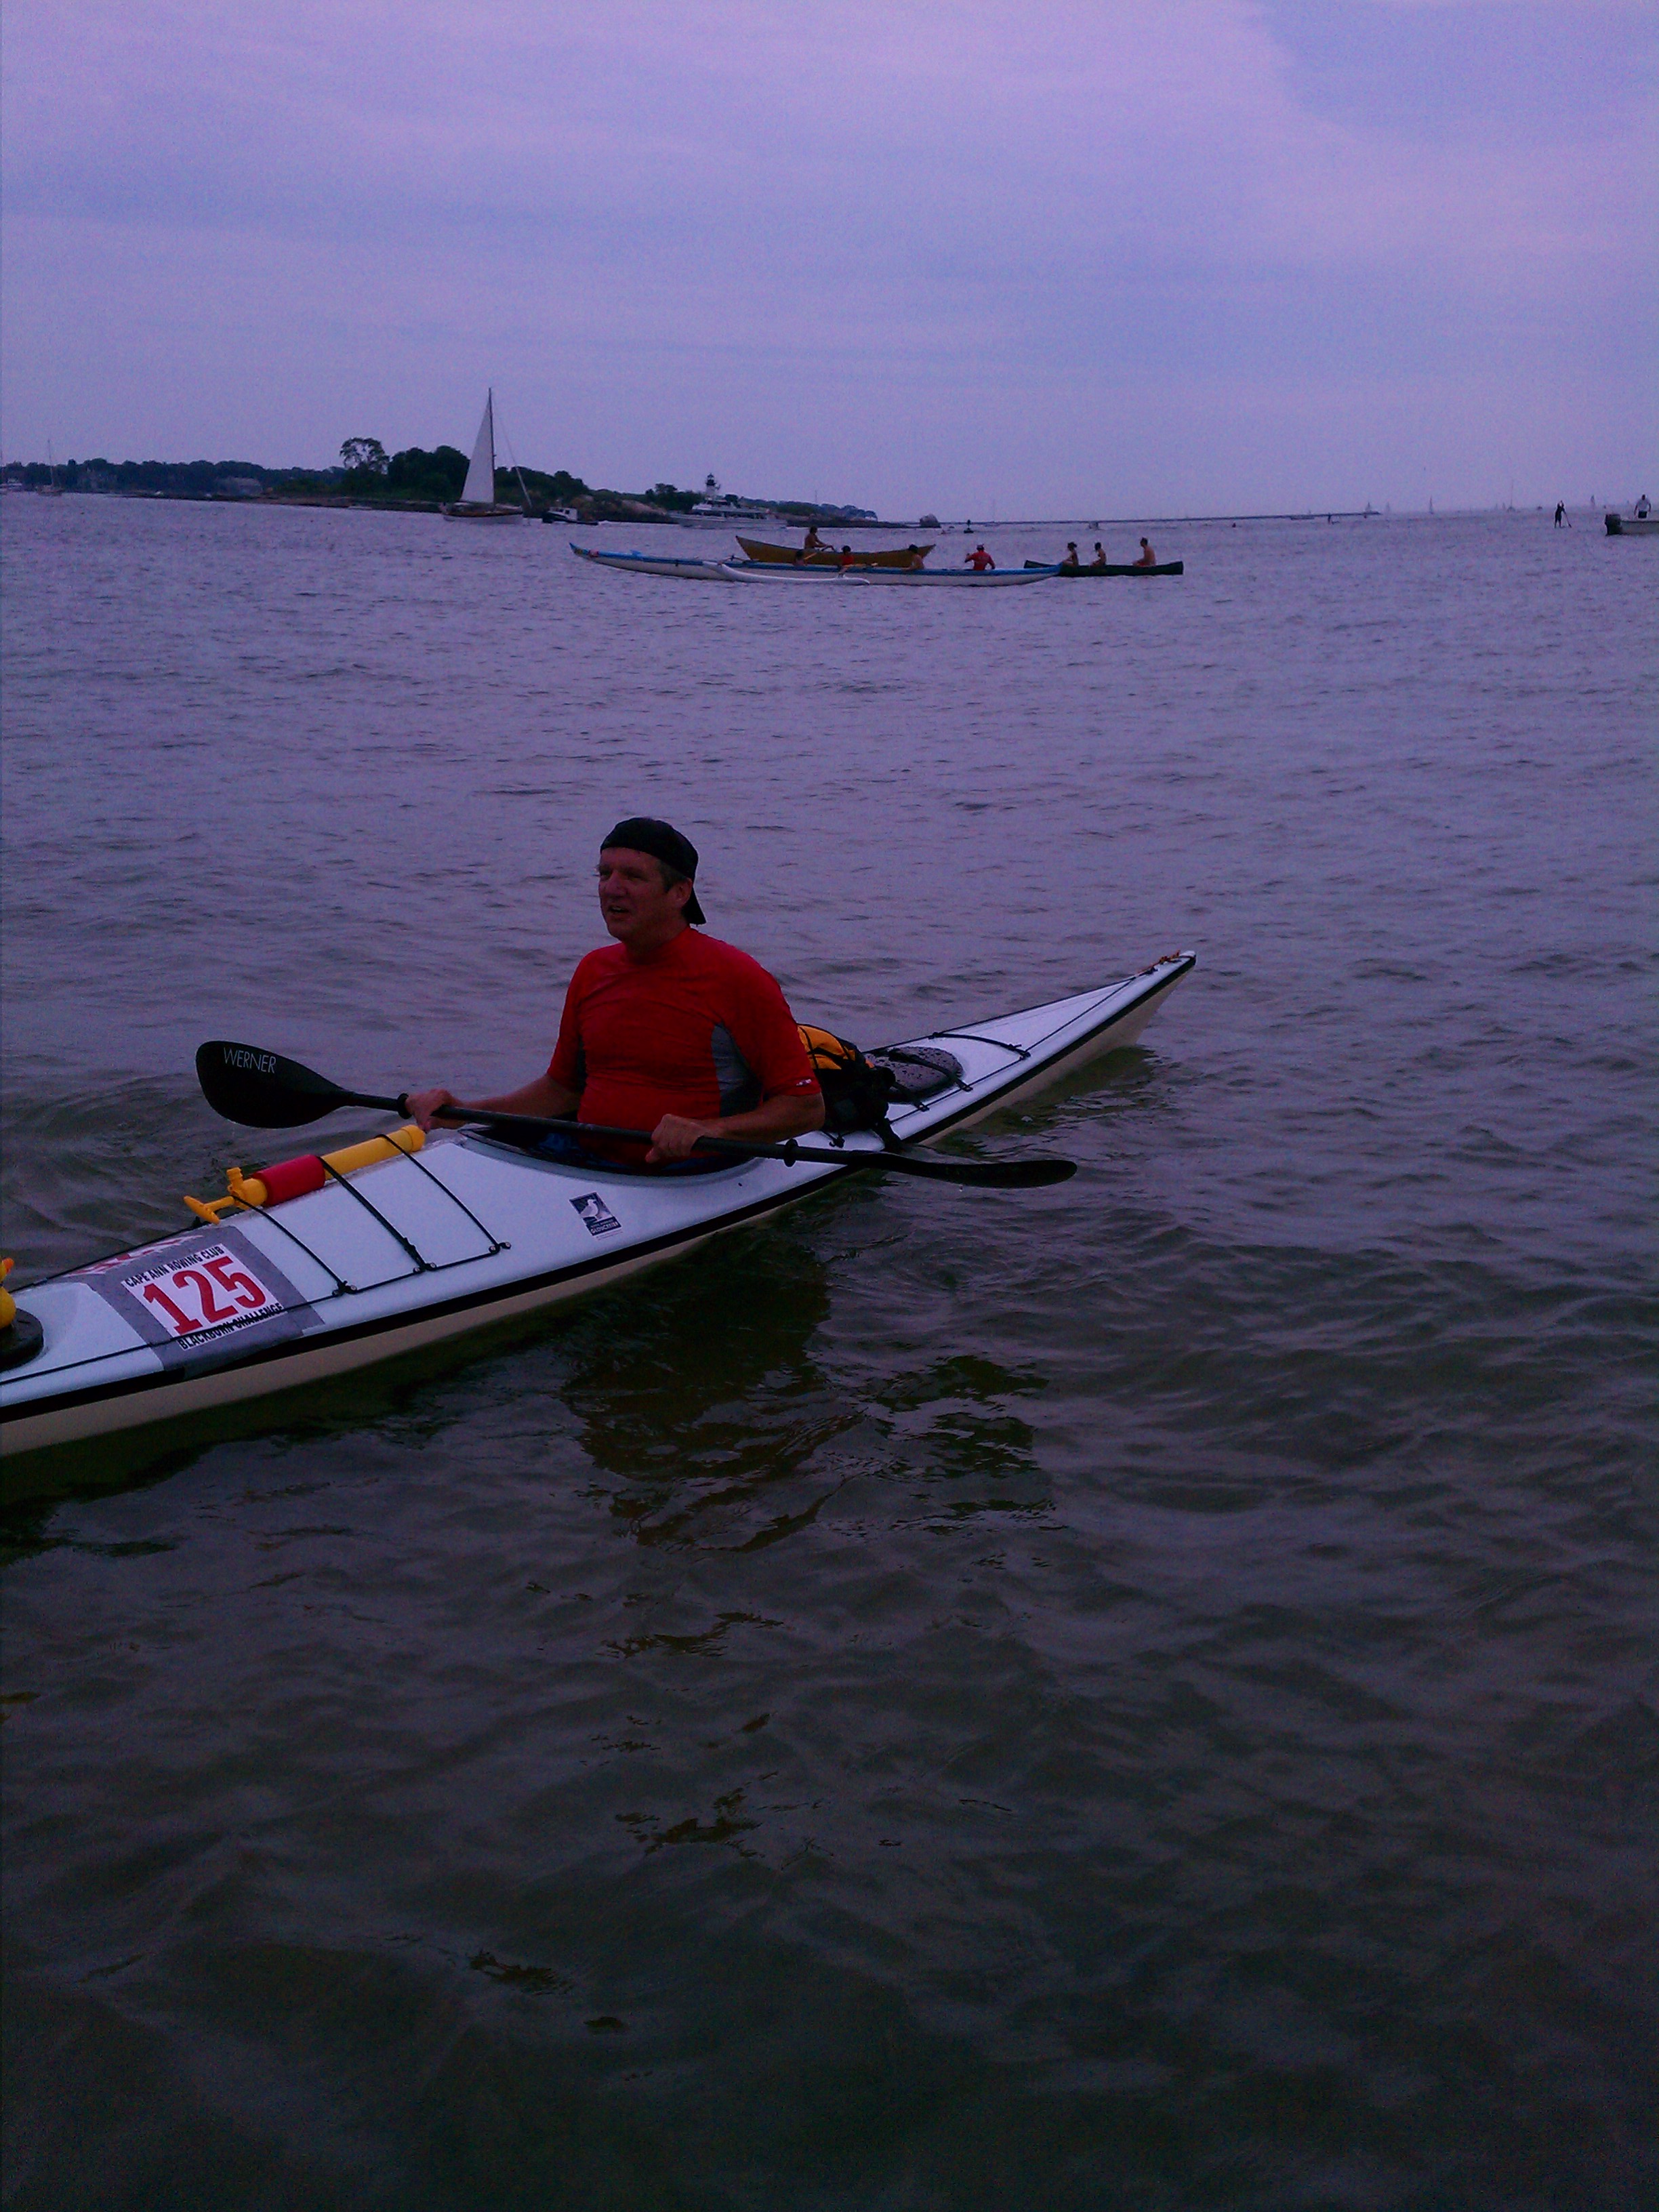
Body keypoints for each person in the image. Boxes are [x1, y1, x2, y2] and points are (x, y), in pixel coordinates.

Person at [407, 819, 824, 1169]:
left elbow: (806, 1107)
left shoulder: (738, 978)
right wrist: (463, 1112)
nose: (611, 888)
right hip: (584, 1160)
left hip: (696, 1172)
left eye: (633, 877)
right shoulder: (593, 970)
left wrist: (710, 1130)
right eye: (604, 874)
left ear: (680, 893)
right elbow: (562, 1090)